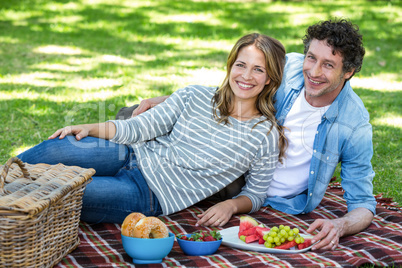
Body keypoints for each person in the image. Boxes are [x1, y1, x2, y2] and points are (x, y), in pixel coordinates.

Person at [129, 19, 377, 251]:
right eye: (311, 58)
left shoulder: (354, 125)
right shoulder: (288, 66)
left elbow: (363, 203)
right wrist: (169, 101)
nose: (313, 71)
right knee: (133, 118)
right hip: (232, 156)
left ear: (349, 71)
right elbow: (240, 87)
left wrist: (340, 225)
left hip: (246, 187)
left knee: (154, 162)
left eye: (328, 65)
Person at [18, 33, 287, 227]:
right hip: (129, 154)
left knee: (60, 192)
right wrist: (88, 127)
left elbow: (256, 193)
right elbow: (138, 128)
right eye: (241, 65)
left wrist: (230, 205)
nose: (246, 76)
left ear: (270, 79)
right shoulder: (195, 96)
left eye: (258, 70)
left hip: (149, 192)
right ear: (230, 66)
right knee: (56, 147)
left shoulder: (264, 135)